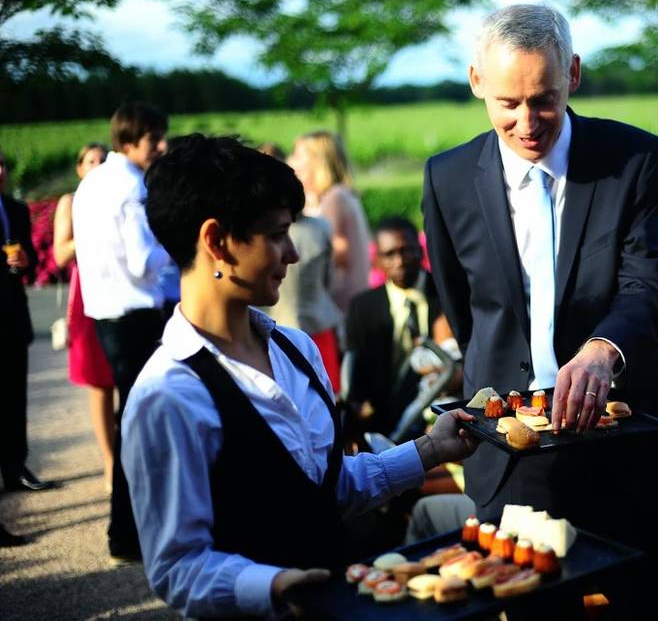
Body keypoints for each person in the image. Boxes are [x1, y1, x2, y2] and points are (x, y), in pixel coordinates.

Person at [122, 134, 477, 618]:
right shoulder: (168, 395)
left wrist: (429, 450)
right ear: (216, 241)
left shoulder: (297, 350)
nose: (293, 253)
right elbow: (177, 567)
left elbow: (325, 487)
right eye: (276, 234)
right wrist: (269, 585)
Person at [421, 4, 658, 610]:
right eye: (507, 103)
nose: (527, 122)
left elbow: (647, 285)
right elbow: (463, 311)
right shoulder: (446, 177)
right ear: (477, 84)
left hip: (620, 438)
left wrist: (602, 352)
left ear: (572, 74)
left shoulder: (632, 159)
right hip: (511, 454)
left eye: (543, 99)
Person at [72, 102, 170, 563]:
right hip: (136, 318)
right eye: (155, 138)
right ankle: (127, 534)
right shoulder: (131, 186)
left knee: (132, 422)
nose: (162, 146)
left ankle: (129, 532)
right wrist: (179, 245)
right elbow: (142, 260)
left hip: (104, 316)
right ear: (130, 140)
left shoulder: (92, 182)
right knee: (141, 425)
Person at [345, 216, 445, 436]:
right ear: (377, 260)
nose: (400, 261)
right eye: (389, 254)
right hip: (384, 421)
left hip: (441, 412)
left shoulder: (446, 295)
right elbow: (356, 372)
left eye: (407, 250)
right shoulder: (362, 308)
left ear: (421, 251)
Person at [53, 142, 115, 492]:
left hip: (119, 291)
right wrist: (91, 233)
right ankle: (108, 460)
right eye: (91, 160)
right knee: (99, 383)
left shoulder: (121, 197)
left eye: (104, 160)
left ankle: (127, 456)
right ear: (80, 168)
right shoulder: (71, 202)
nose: (97, 165)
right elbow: (61, 254)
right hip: (86, 294)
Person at [0, 150, 53, 493]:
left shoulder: (16, 209)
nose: (0, 170)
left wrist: (24, 260)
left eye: (2, 164)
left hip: (12, 316)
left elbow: (32, 264)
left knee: (15, 398)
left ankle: (16, 468)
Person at [264, 180, 343, 394]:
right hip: (318, 322)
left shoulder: (262, 231)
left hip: (276, 327)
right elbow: (329, 279)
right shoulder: (321, 228)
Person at [287, 131, 371, 312]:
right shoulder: (338, 195)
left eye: (298, 155)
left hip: (340, 303)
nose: (291, 161)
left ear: (318, 161)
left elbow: (336, 252)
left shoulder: (335, 198)